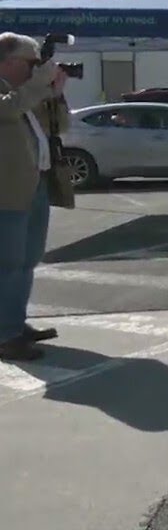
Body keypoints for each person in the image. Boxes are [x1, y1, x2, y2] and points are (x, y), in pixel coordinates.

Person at [0, 32, 68, 361]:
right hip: (6, 192)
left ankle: (15, 324)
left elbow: (61, 127)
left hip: (35, 185)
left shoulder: (27, 93)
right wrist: (39, 84)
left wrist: (56, 94)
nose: (36, 68)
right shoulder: (14, 95)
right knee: (8, 264)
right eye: (31, 62)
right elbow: (7, 110)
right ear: (8, 61)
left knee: (27, 261)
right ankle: (5, 336)